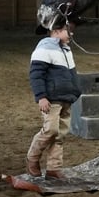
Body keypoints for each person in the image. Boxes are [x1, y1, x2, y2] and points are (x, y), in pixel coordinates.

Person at [25, 19, 82, 179]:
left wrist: (74, 92)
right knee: (51, 130)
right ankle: (32, 157)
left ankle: (54, 168)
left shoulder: (66, 51)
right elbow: (36, 75)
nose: (71, 34)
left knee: (60, 134)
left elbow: (71, 74)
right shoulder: (44, 49)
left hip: (66, 99)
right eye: (68, 30)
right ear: (56, 31)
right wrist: (41, 97)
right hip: (52, 99)